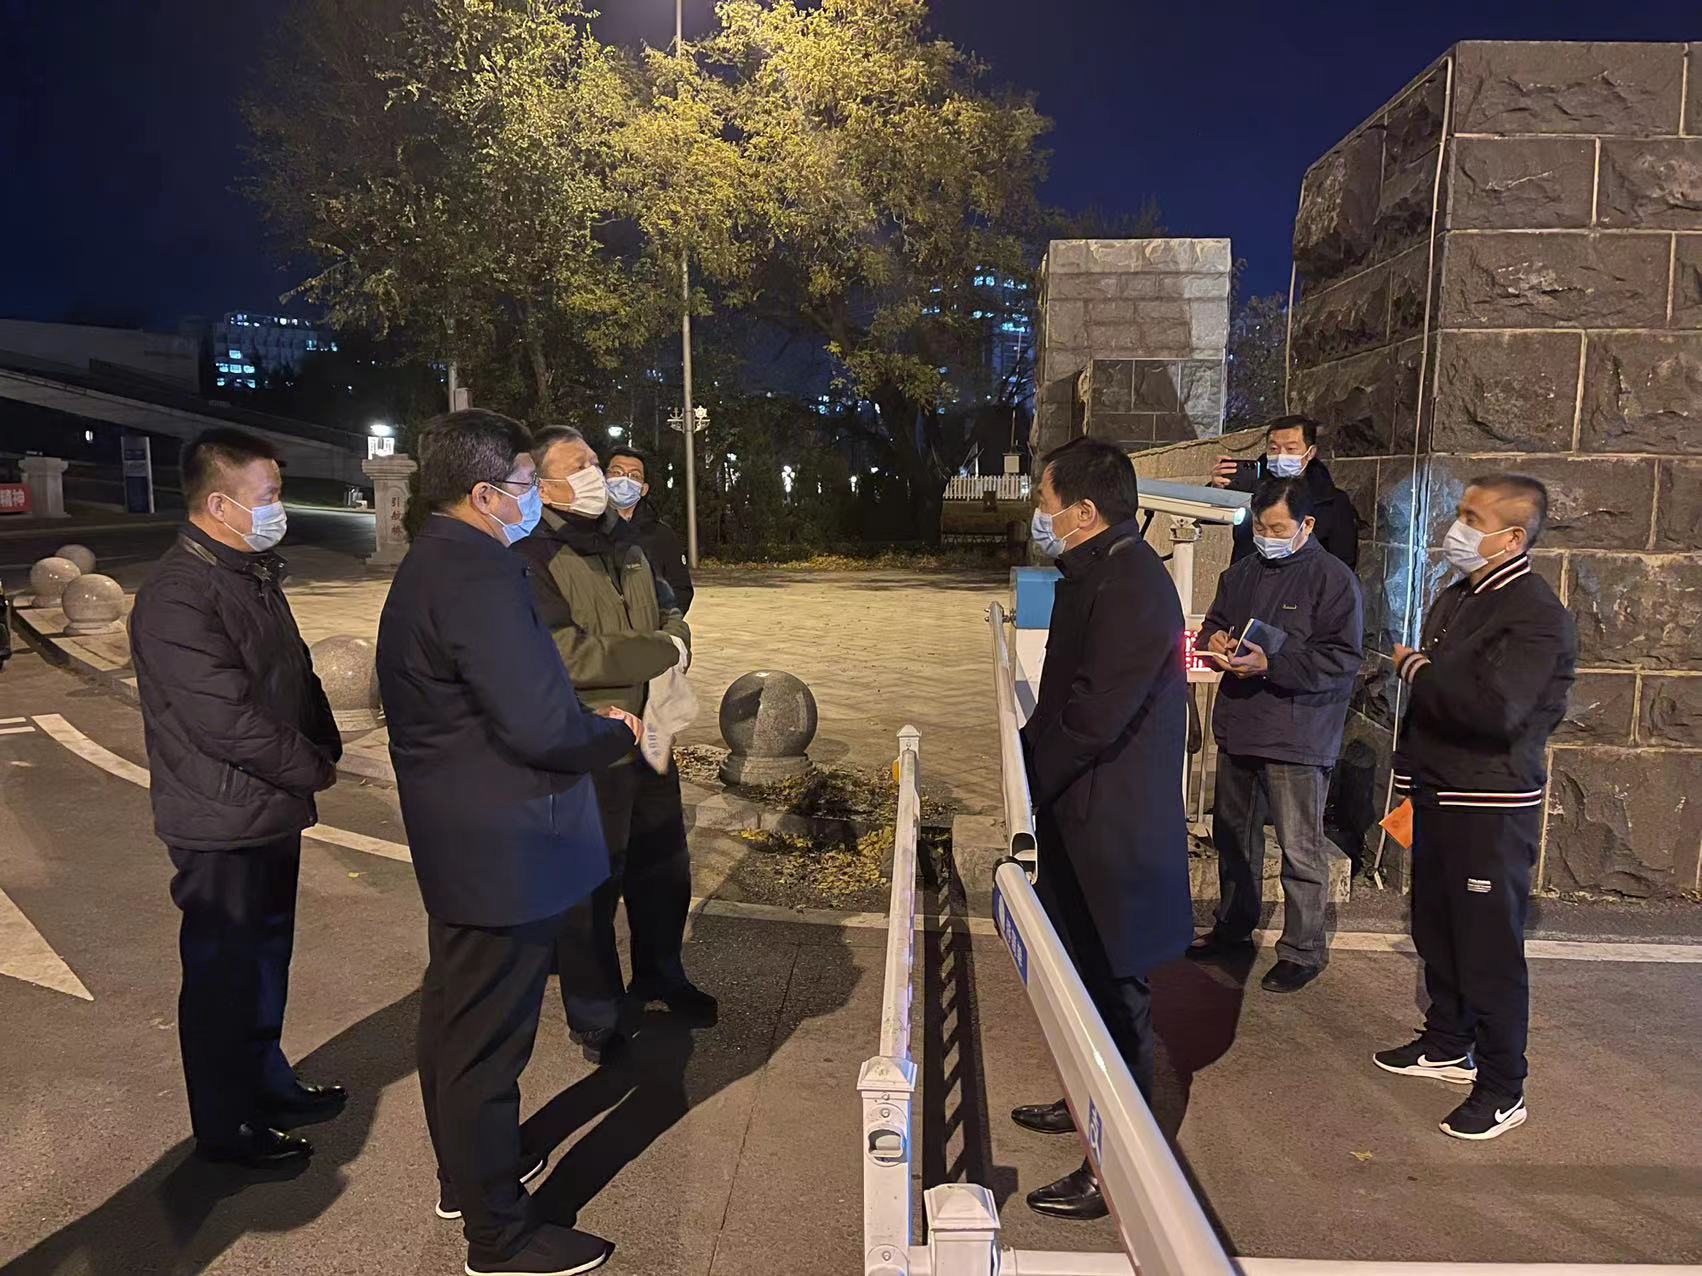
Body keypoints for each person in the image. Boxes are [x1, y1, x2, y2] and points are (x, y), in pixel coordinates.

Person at [376, 409, 639, 1276]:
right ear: (487, 494)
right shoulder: (478, 575)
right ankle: (500, 1234)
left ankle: (469, 1176)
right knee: (484, 1045)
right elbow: (539, 724)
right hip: (504, 845)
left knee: (458, 1023)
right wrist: (611, 733)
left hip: (468, 837)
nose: (538, 496)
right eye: (527, 482)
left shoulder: (437, 561)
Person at [128, 427, 345, 1168]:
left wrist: (323, 738)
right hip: (219, 818)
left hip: (265, 806)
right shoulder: (177, 594)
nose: (279, 506)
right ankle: (225, 1128)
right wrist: (311, 768)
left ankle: (267, 1084)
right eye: (269, 494)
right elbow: (223, 717)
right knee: (223, 977)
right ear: (220, 505)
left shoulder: (248, 572)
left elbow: (295, 671)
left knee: (264, 962)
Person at [1009, 437, 1194, 1220]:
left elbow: (1091, 718)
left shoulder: (1131, 583)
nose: (1039, 516)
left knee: (1118, 994)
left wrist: (1027, 780)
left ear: (1084, 511)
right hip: (1083, 815)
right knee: (1083, 980)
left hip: (1113, 828)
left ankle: (1116, 1161)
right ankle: (1085, 1101)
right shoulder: (1100, 571)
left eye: (1046, 503)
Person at [1374, 474, 1575, 1142]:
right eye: (1459, 513)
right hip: (1439, 791)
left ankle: (1501, 1085)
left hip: (1490, 802)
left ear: (1513, 538)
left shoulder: (1534, 614)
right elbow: (1435, 705)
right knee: (1436, 928)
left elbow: (1497, 712)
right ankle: (1446, 1040)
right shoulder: (1459, 596)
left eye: (1471, 518)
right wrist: (1408, 771)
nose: (1455, 529)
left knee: (1487, 948)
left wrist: (1417, 671)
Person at [517, 427, 716, 1066]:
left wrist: (674, 638)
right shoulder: (533, 555)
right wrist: (661, 650)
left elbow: (668, 606)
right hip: (590, 737)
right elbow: (565, 653)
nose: (595, 476)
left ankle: (661, 976)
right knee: (590, 889)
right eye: (576, 467)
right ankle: (596, 1014)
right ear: (543, 484)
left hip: (651, 732)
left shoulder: (626, 541)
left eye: (593, 463)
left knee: (663, 868)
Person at [1188, 477, 1363, 992]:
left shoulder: (1333, 580)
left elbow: (1342, 659)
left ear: (1307, 525)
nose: (1267, 537)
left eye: (1278, 529)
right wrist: (1217, 642)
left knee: (1299, 848)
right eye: (1260, 528)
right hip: (1240, 725)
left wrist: (1273, 664)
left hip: (1298, 733)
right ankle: (1233, 926)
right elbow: (1211, 627)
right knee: (1233, 838)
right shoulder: (1241, 572)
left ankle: (1302, 949)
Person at [1209, 415, 1359, 568]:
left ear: (1310, 452)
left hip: (1305, 580)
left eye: (1291, 449)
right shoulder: (1248, 487)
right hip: (1246, 576)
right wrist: (1216, 491)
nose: (1281, 455)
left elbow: (1343, 562)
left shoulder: (1332, 500)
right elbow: (1209, 517)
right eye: (1273, 449)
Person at [605, 445, 693, 614]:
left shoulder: (661, 536)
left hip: (649, 627)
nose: (624, 480)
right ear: (603, 479)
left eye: (634, 476)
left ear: (644, 489)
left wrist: (662, 624)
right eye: (617, 472)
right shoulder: (583, 530)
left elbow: (680, 590)